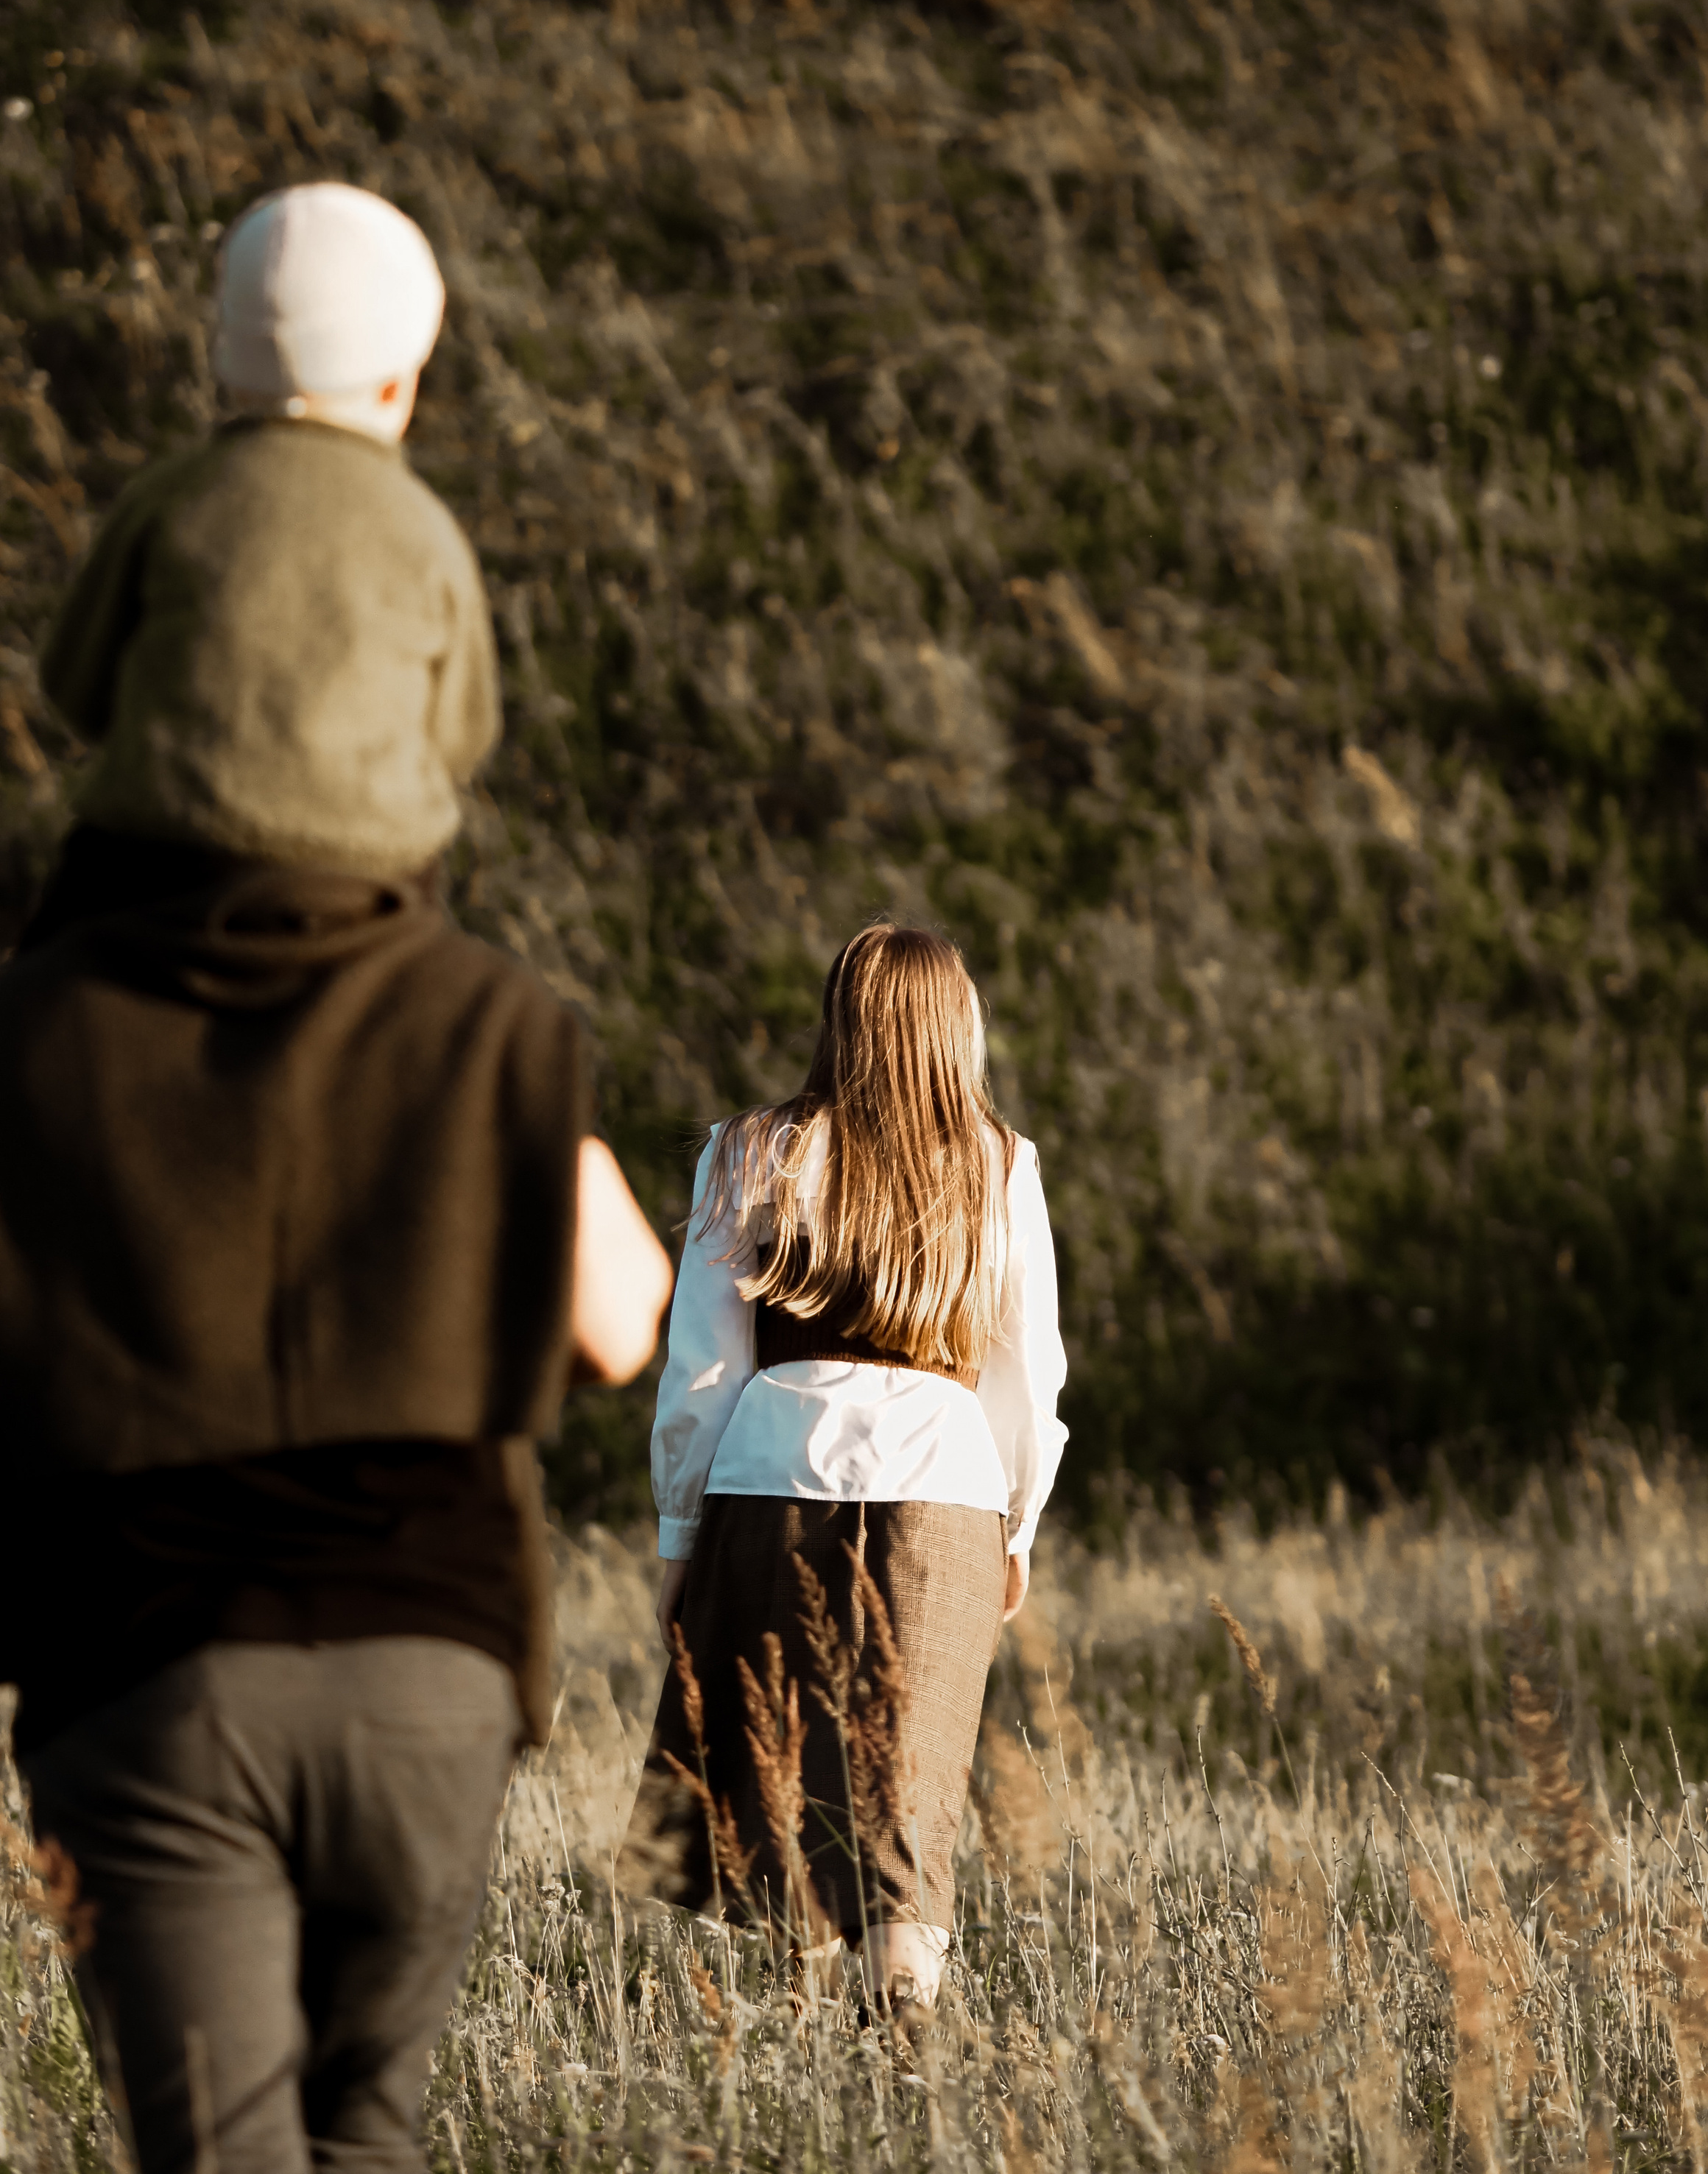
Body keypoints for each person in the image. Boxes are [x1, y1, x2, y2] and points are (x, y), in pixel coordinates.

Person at [0, 850, 674, 2174]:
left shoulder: (43, 1019)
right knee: (362, 2132)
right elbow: (613, 1318)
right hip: (430, 1660)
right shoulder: (475, 1008)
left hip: (150, 1662)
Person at [631, 922, 1067, 2015]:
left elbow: (701, 1374)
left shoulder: (747, 1149)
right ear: (957, 1026)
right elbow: (1028, 1379)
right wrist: (1015, 1530)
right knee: (905, 1811)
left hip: (767, 1481)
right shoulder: (1000, 1163)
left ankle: (804, 2057)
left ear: (839, 1018)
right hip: (946, 1493)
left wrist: (679, 1539)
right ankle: (902, 2048)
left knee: (776, 1800)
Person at [25, 178, 498, 945]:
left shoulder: (168, 498)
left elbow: (74, 683)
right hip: (369, 893)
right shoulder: (428, 533)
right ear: (397, 381)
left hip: (151, 873)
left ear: (231, 360)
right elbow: (461, 735)